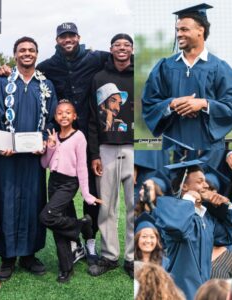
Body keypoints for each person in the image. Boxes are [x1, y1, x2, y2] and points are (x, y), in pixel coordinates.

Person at [0, 22, 110, 262]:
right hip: (56, 141)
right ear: (57, 40)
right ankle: (71, 244)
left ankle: (89, 241)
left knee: (88, 189)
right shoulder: (46, 68)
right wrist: (5, 72)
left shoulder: (94, 58)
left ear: (78, 37)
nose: (67, 39)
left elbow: (122, 58)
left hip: (87, 136)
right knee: (60, 191)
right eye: (63, 36)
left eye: (71, 35)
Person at [0, 36, 57, 281]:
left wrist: (44, 141)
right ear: (15, 54)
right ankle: (7, 257)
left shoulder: (46, 85)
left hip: (33, 158)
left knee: (32, 201)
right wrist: (0, 145)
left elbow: (51, 119)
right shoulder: (1, 84)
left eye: (31, 50)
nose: (26, 53)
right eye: (22, 50)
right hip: (6, 159)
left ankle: (29, 254)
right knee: (7, 201)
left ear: (37, 55)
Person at [142, 3, 232, 150]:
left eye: (184, 29)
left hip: (209, 147)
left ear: (200, 30)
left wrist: (204, 104)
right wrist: (172, 103)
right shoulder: (165, 66)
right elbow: (149, 102)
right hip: (173, 145)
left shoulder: (218, 67)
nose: (178, 34)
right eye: (177, 30)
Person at [154, 160, 232, 300]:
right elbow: (179, 228)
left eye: (205, 181)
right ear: (185, 186)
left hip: (203, 292)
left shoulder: (207, 218)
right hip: (178, 292)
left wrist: (227, 205)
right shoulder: (169, 211)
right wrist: (189, 199)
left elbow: (230, 236)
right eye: (200, 181)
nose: (206, 185)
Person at [39, 99, 103, 283]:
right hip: (54, 181)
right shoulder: (54, 136)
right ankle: (66, 268)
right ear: (55, 116)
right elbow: (44, 164)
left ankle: (80, 225)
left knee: (47, 217)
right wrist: (50, 147)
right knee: (58, 227)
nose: (64, 115)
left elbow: (82, 167)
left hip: (68, 184)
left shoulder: (79, 137)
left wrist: (86, 193)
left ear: (74, 116)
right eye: (60, 113)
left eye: (68, 112)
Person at [88, 33, 134, 278]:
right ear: (111, 49)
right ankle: (109, 255)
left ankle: (132, 257)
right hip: (106, 149)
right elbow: (93, 120)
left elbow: (148, 115)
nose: (122, 48)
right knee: (107, 205)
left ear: (132, 49)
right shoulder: (99, 78)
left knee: (135, 206)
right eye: (117, 45)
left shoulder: (141, 73)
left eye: (127, 45)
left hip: (133, 149)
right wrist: (94, 153)